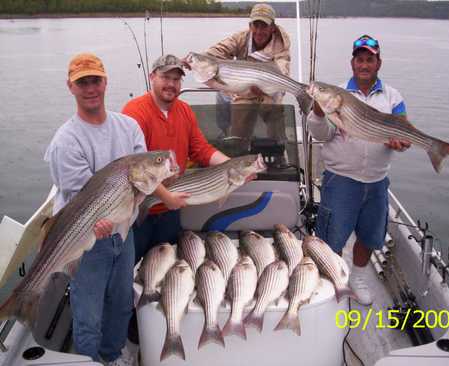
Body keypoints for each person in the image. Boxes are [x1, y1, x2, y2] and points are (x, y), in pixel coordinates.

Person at [44, 53, 146, 365]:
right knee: (88, 314)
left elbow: (143, 180)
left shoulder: (128, 127)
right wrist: (97, 223)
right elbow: (80, 203)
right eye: (82, 82)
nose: (90, 88)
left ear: (105, 82)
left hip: (123, 233)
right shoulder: (66, 141)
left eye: (95, 80)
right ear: (70, 87)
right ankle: (88, 360)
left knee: (121, 304)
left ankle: (112, 355)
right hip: (83, 241)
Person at [308, 35, 411, 306]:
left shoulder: (393, 97)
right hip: (341, 180)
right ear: (352, 63)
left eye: (370, 59)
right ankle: (331, 279)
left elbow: (402, 129)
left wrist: (402, 143)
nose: (364, 64)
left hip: (377, 182)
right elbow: (320, 134)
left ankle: (359, 277)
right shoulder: (337, 94)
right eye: (359, 59)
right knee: (332, 236)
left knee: (369, 236)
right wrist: (318, 111)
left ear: (378, 63)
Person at [122, 54, 229, 265]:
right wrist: (166, 197)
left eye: (177, 79)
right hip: (137, 211)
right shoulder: (134, 112)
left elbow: (201, 150)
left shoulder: (185, 111)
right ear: (152, 77)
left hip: (171, 212)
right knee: (129, 269)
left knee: (164, 270)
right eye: (165, 77)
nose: (171, 84)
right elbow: (133, 170)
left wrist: (234, 166)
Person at [205, 3, 290, 142]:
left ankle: (278, 150)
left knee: (275, 112)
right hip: (243, 90)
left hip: (269, 91)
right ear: (250, 26)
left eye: (264, 26)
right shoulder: (240, 38)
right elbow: (216, 51)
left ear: (273, 28)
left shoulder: (281, 46)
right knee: (236, 107)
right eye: (256, 25)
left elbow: (283, 72)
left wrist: (265, 90)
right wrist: (196, 61)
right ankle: (237, 146)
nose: (259, 31)